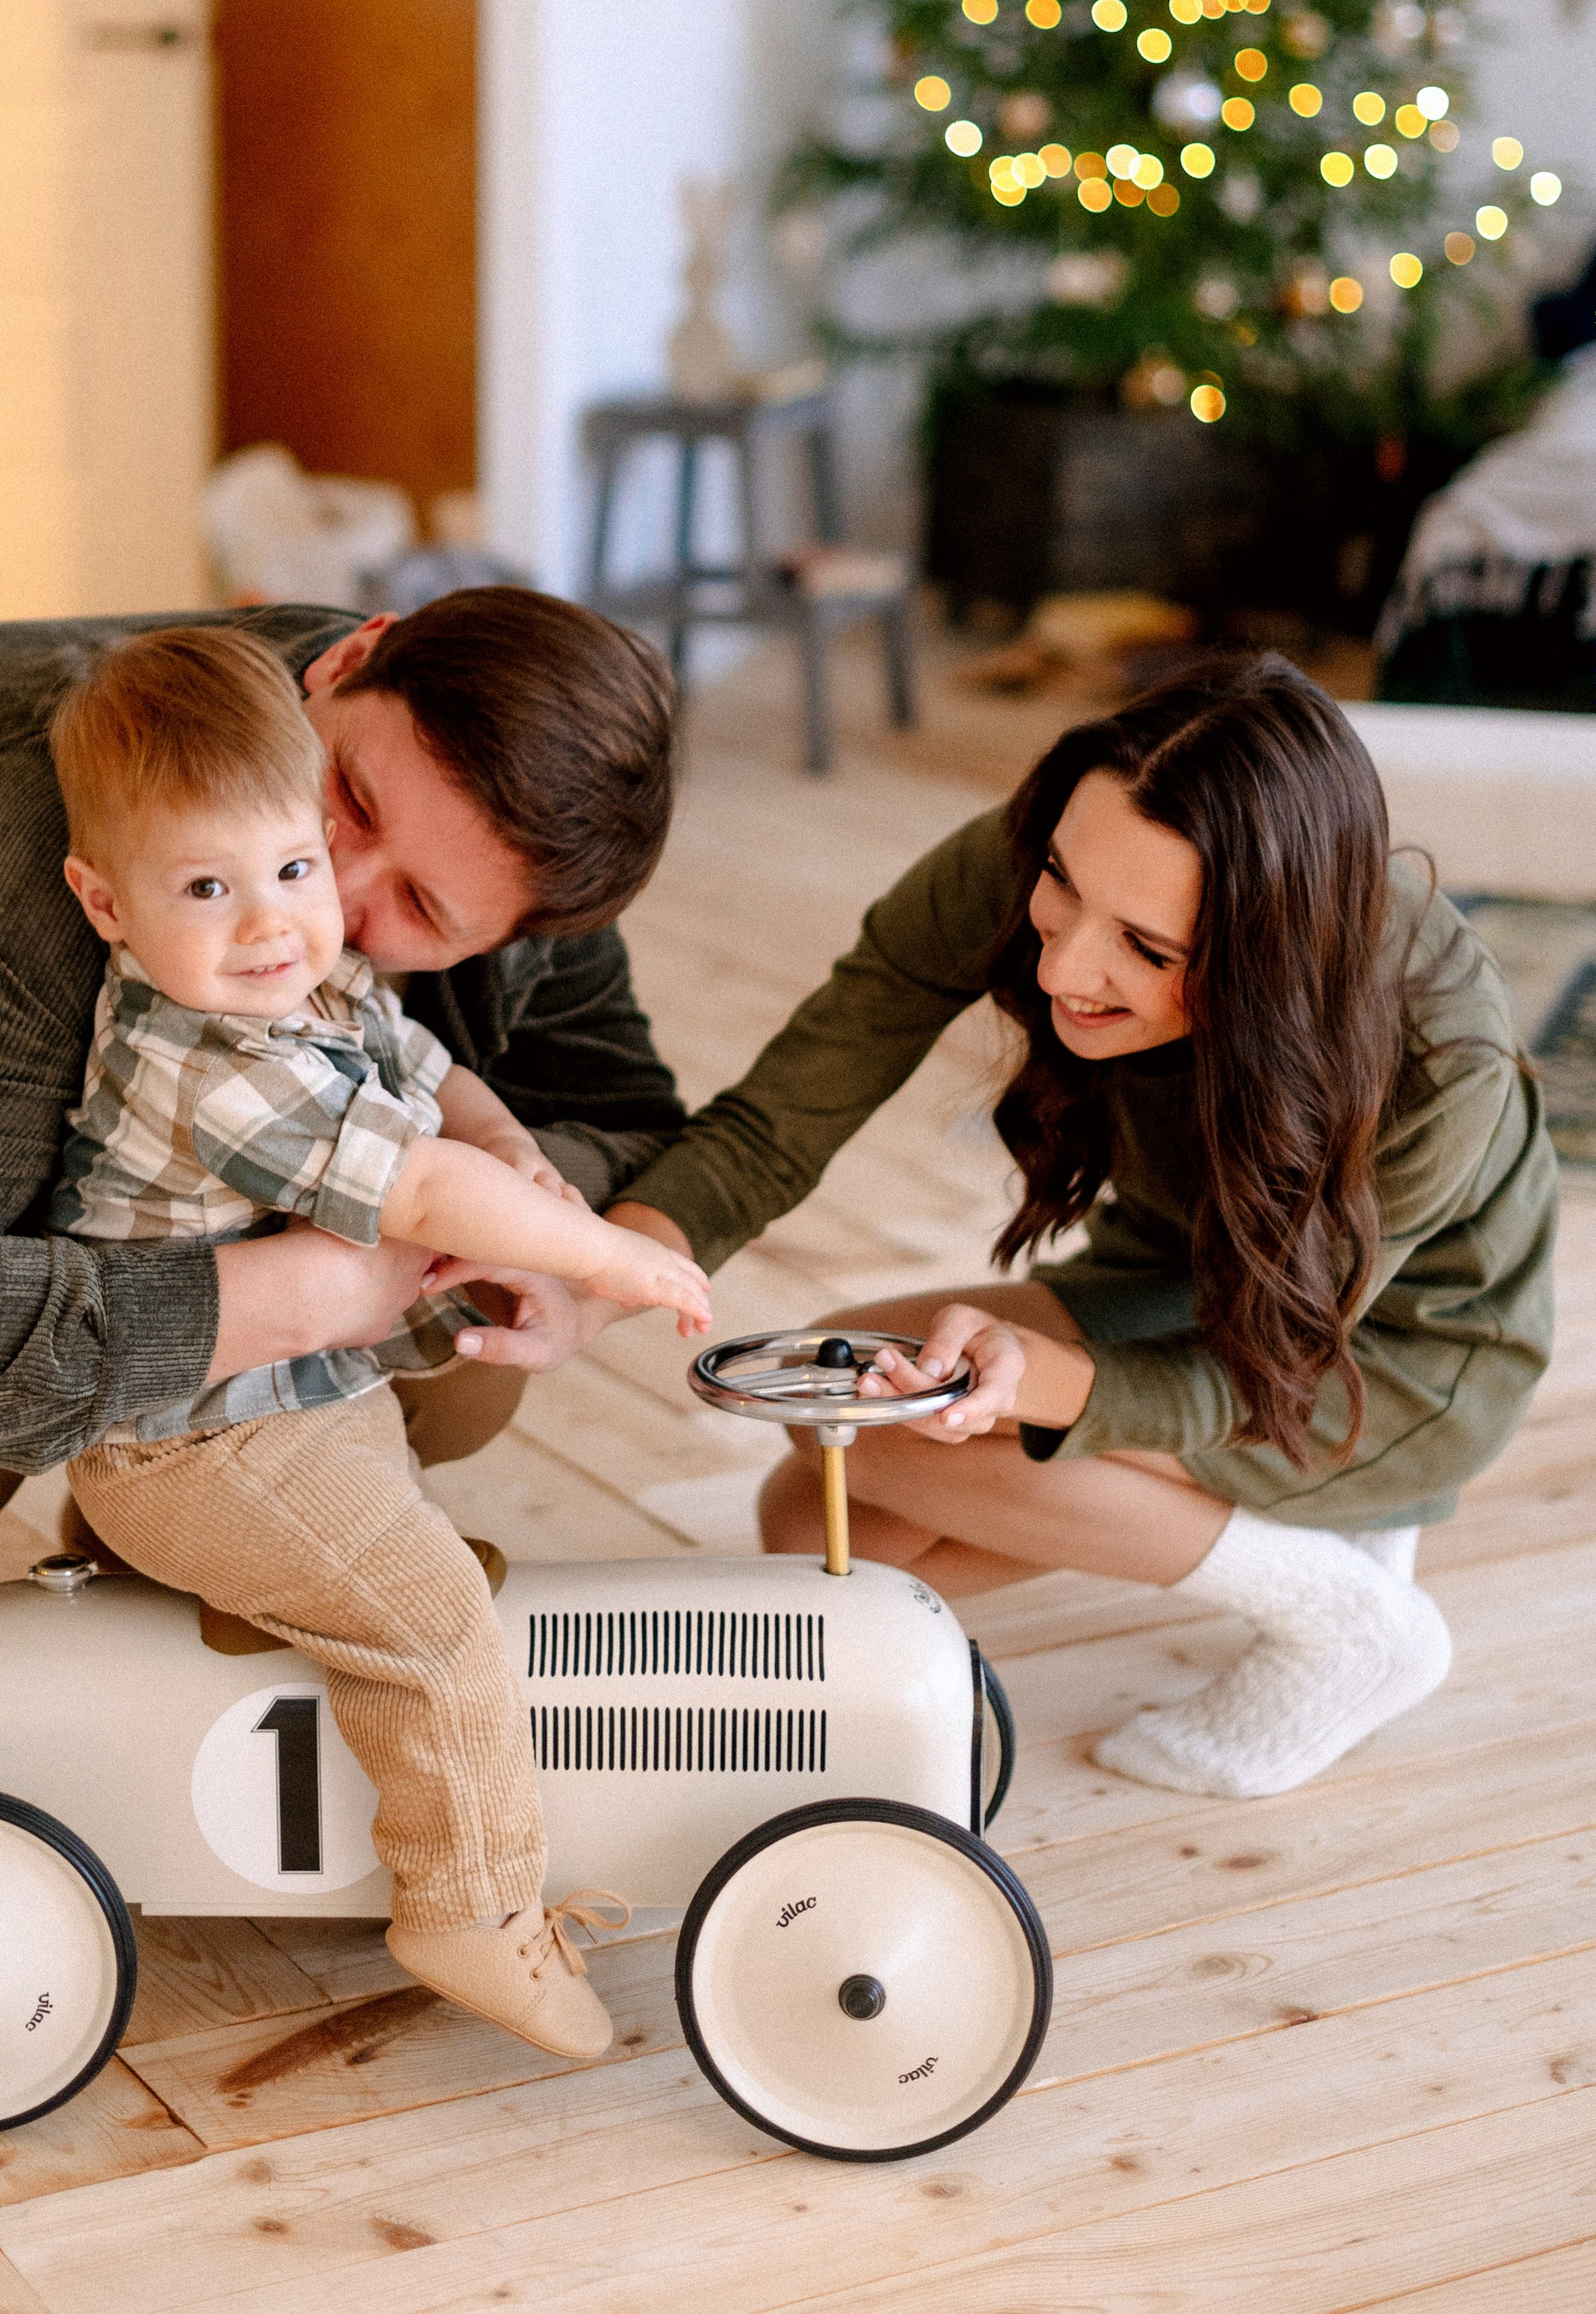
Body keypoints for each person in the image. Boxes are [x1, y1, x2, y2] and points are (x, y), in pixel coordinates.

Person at [0, 591, 687, 1712]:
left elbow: (623, 1119)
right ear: (350, 658)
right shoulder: (31, 826)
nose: (316, 908)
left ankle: (155, 1588)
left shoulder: (520, 815)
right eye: (346, 798)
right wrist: (301, 1296)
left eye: (423, 912)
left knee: (474, 1326)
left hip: (87, 1186)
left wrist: (527, 1207)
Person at [612, 654, 1556, 1798]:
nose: (1064, 964)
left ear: (1266, 962)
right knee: (817, 1493)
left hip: (1382, 1357)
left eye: (1148, 952)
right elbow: (788, 1109)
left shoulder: (1436, 1050)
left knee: (888, 1442)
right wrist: (613, 1252)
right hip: (1188, 1262)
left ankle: (1348, 1616)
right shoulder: (1050, 855)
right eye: (1063, 888)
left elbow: (1271, 1365)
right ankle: (1292, 1548)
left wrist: (1055, 1387)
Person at [47, 627, 706, 2052]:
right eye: (206, 889)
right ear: (105, 904)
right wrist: (603, 1250)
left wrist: (523, 1164)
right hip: (194, 1440)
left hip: (290, 1401)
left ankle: (372, 1779)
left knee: (398, 1558)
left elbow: (434, 1077)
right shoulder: (201, 1049)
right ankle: (468, 1904)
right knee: (433, 1618)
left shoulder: (302, 978)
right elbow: (412, 1184)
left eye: (291, 869)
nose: (286, 915)